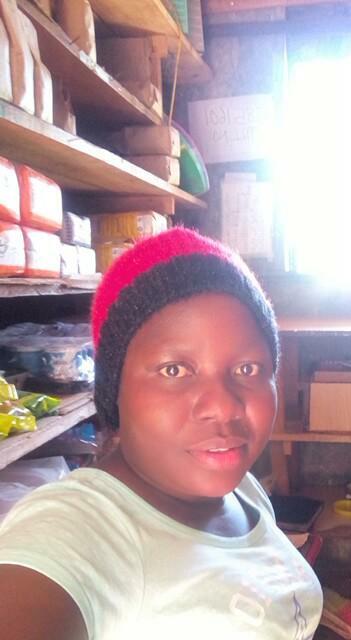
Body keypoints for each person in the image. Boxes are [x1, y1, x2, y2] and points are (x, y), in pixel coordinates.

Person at [0, 227, 323, 639]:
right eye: (175, 370)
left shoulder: (244, 491)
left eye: (248, 368)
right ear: (115, 390)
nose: (224, 406)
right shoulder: (80, 529)